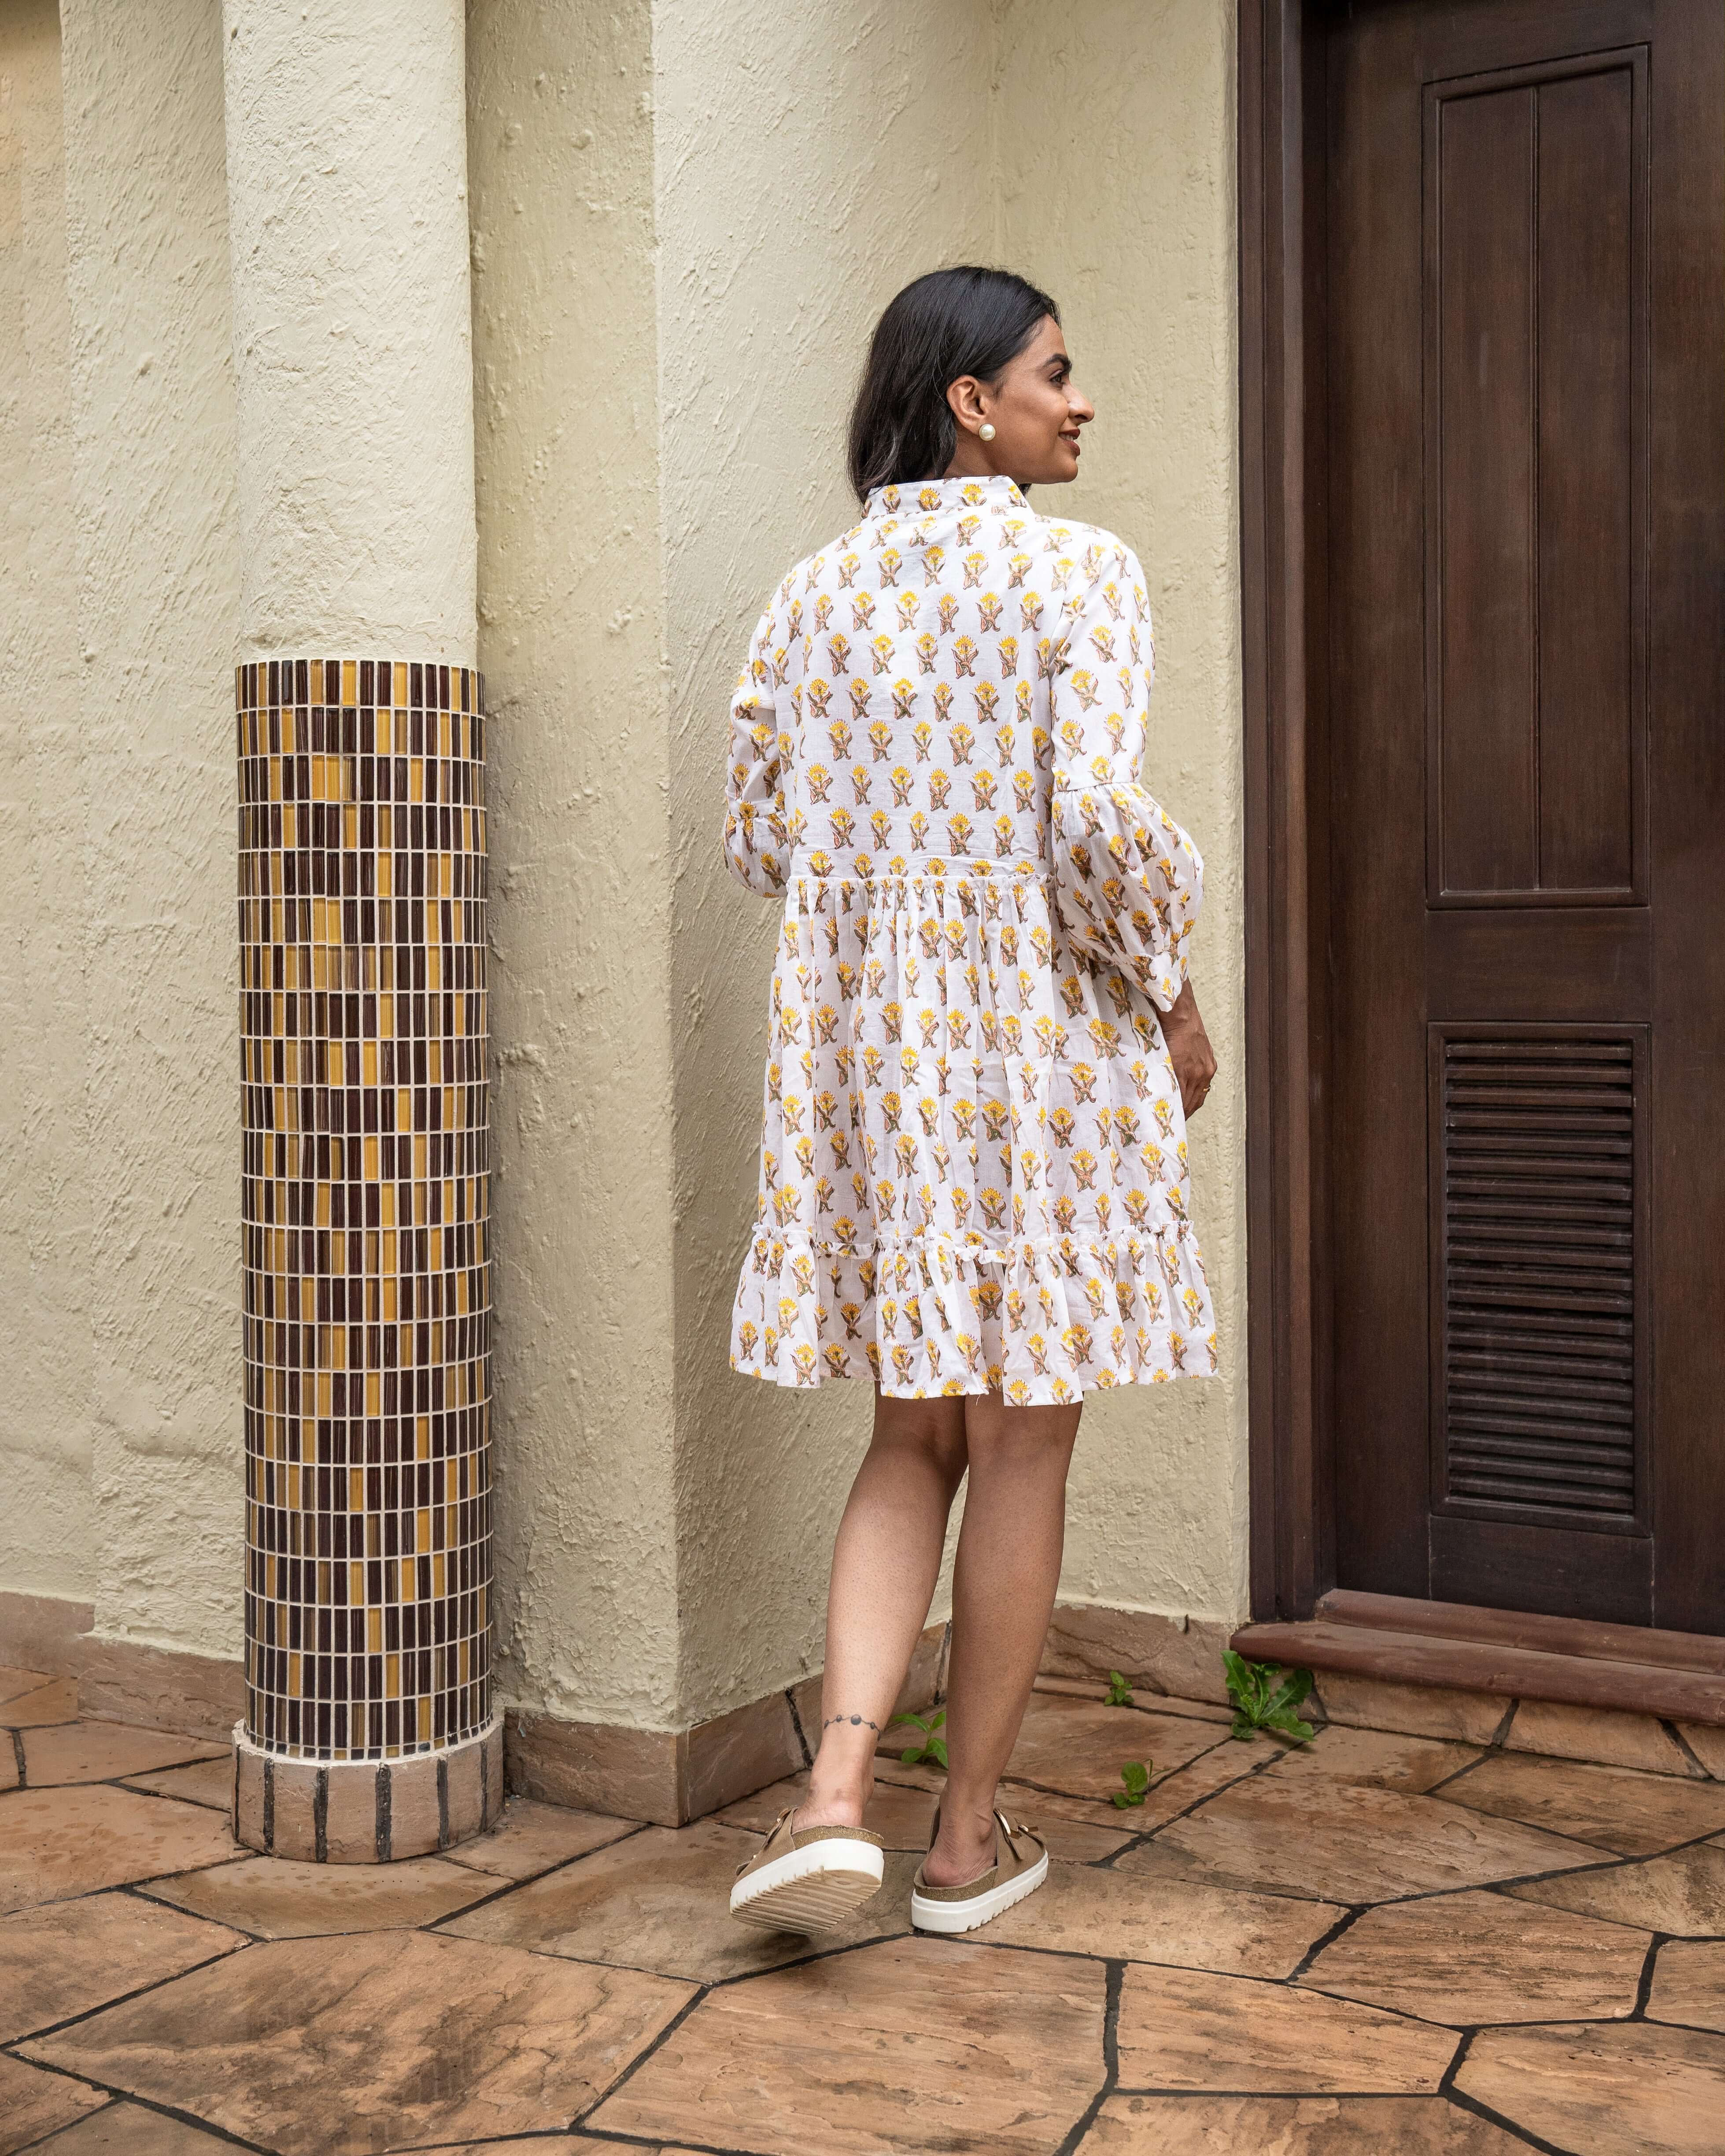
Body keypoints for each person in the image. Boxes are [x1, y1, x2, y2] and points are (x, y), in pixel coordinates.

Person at [721, 267, 1217, 1938]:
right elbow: (1092, 822)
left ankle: (832, 1795)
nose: (1081, 404)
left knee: (908, 1430)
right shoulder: (1083, 574)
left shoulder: (809, 599)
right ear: (969, 403)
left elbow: (764, 839)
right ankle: (962, 1848)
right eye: (1056, 374)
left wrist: (895, 890)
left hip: (884, 1062)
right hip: (1046, 1055)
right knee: (1024, 1440)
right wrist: (1177, 995)